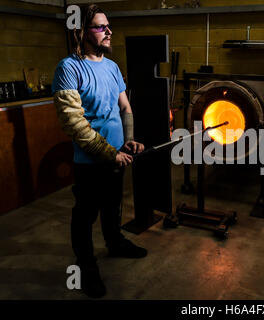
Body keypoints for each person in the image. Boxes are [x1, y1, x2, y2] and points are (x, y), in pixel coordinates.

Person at [52, 4, 146, 298]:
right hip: (91, 161)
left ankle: (115, 242)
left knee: (113, 204)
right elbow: (75, 124)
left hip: (118, 155)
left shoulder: (112, 67)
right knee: (85, 214)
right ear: (80, 31)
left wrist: (128, 140)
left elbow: (125, 107)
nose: (109, 31)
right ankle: (85, 266)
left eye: (108, 26)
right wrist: (109, 153)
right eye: (100, 27)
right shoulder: (69, 68)